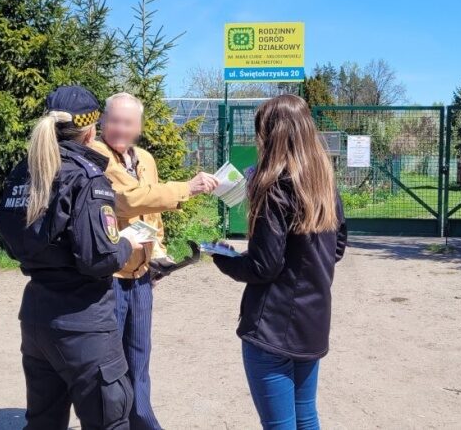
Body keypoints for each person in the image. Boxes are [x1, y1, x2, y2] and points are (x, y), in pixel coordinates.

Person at [0, 85, 140, 430]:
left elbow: (11, 237)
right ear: (91, 129)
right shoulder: (89, 178)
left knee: (43, 422)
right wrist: (126, 242)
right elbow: (98, 259)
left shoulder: (26, 171)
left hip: (36, 320)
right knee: (110, 421)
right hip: (84, 325)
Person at [212, 94, 347, 430]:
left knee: (280, 425)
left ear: (271, 135)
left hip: (272, 327)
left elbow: (264, 266)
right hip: (312, 322)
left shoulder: (272, 188)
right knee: (306, 416)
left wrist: (222, 257)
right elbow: (338, 247)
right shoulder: (323, 184)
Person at [90, 92, 218, 430]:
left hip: (142, 277)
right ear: (103, 122)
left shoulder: (145, 158)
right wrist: (187, 188)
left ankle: (141, 422)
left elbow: (152, 214)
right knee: (109, 363)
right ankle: (113, 423)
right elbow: (130, 200)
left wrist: (158, 252)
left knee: (139, 359)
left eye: (128, 123)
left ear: (139, 127)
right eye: (114, 121)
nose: (119, 129)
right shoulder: (97, 155)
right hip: (110, 276)